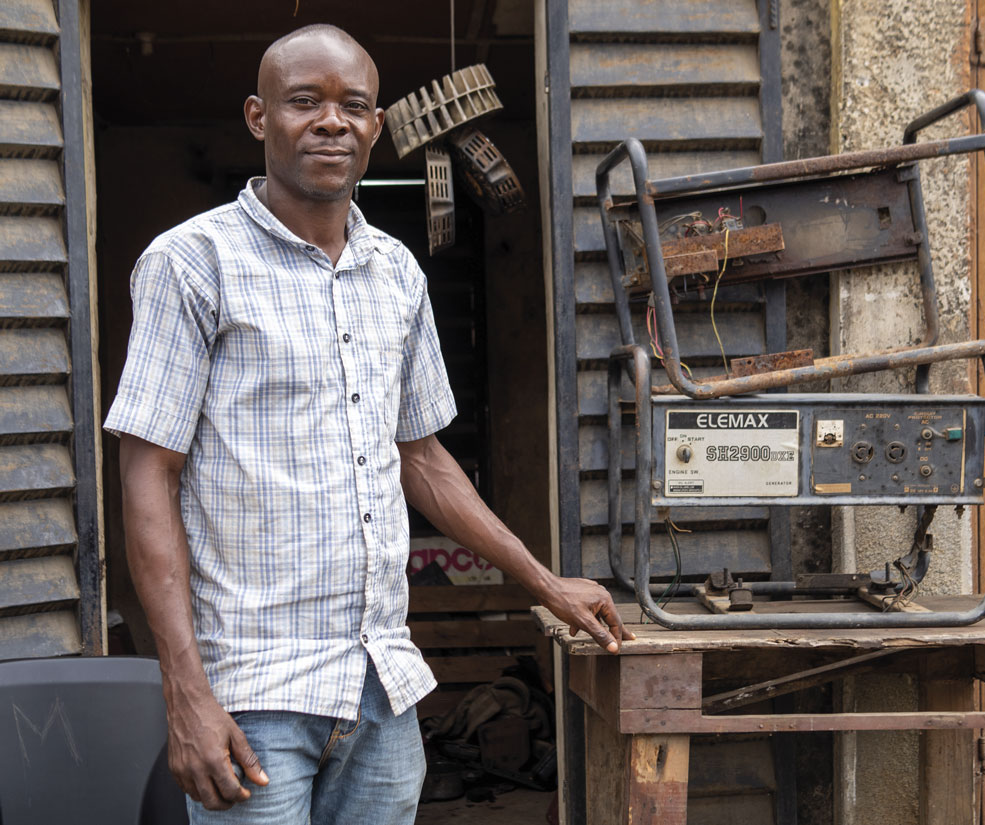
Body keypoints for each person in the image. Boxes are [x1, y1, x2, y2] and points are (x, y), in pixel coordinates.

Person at [105, 23, 631, 824]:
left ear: (376, 126)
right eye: (304, 101)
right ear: (258, 117)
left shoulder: (396, 272)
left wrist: (546, 583)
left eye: (353, 105)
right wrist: (185, 693)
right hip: (252, 695)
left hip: (381, 688)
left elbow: (423, 458)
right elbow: (149, 475)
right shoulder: (191, 264)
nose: (331, 121)